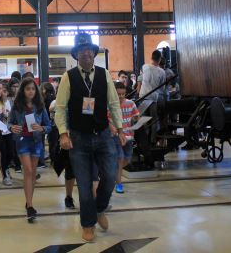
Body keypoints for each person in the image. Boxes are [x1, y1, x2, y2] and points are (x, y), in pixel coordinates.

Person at [55, 33, 125, 243]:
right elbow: (60, 108)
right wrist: (63, 133)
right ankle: (88, 224)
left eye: (89, 50)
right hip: (79, 138)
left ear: (94, 53)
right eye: (81, 50)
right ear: (76, 54)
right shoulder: (68, 77)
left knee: (110, 177)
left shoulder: (104, 75)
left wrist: (120, 128)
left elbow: (114, 104)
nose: (85, 53)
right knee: (85, 186)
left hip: (103, 134)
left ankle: (99, 208)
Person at [9, 77, 51, 222]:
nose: (31, 91)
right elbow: (9, 123)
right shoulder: (16, 106)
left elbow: (49, 126)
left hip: (36, 142)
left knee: (32, 172)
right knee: (27, 170)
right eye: (28, 89)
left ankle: (29, 201)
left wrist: (42, 128)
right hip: (22, 141)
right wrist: (12, 127)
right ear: (23, 90)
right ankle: (30, 206)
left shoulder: (40, 106)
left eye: (33, 89)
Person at [109, 82, 139, 194]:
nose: (121, 96)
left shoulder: (131, 103)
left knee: (127, 159)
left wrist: (136, 118)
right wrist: (112, 126)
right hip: (116, 136)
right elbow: (107, 119)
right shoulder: (111, 104)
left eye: (123, 94)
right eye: (118, 94)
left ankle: (112, 172)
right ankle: (119, 184)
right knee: (120, 158)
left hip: (129, 136)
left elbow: (136, 115)